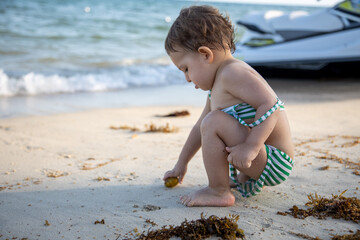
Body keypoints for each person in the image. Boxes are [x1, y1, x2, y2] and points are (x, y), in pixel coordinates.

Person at [163, 5, 295, 207]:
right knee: (209, 122)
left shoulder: (232, 73)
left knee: (214, 121)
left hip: (273, 160)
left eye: (186, 69)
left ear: (205, 55)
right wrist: (181, 165)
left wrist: (251, 147)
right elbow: (200, 128)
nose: (188, 79)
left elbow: (271, 104)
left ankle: (218, 191)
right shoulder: (216, 86)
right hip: (259, 160)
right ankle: (229, 182)